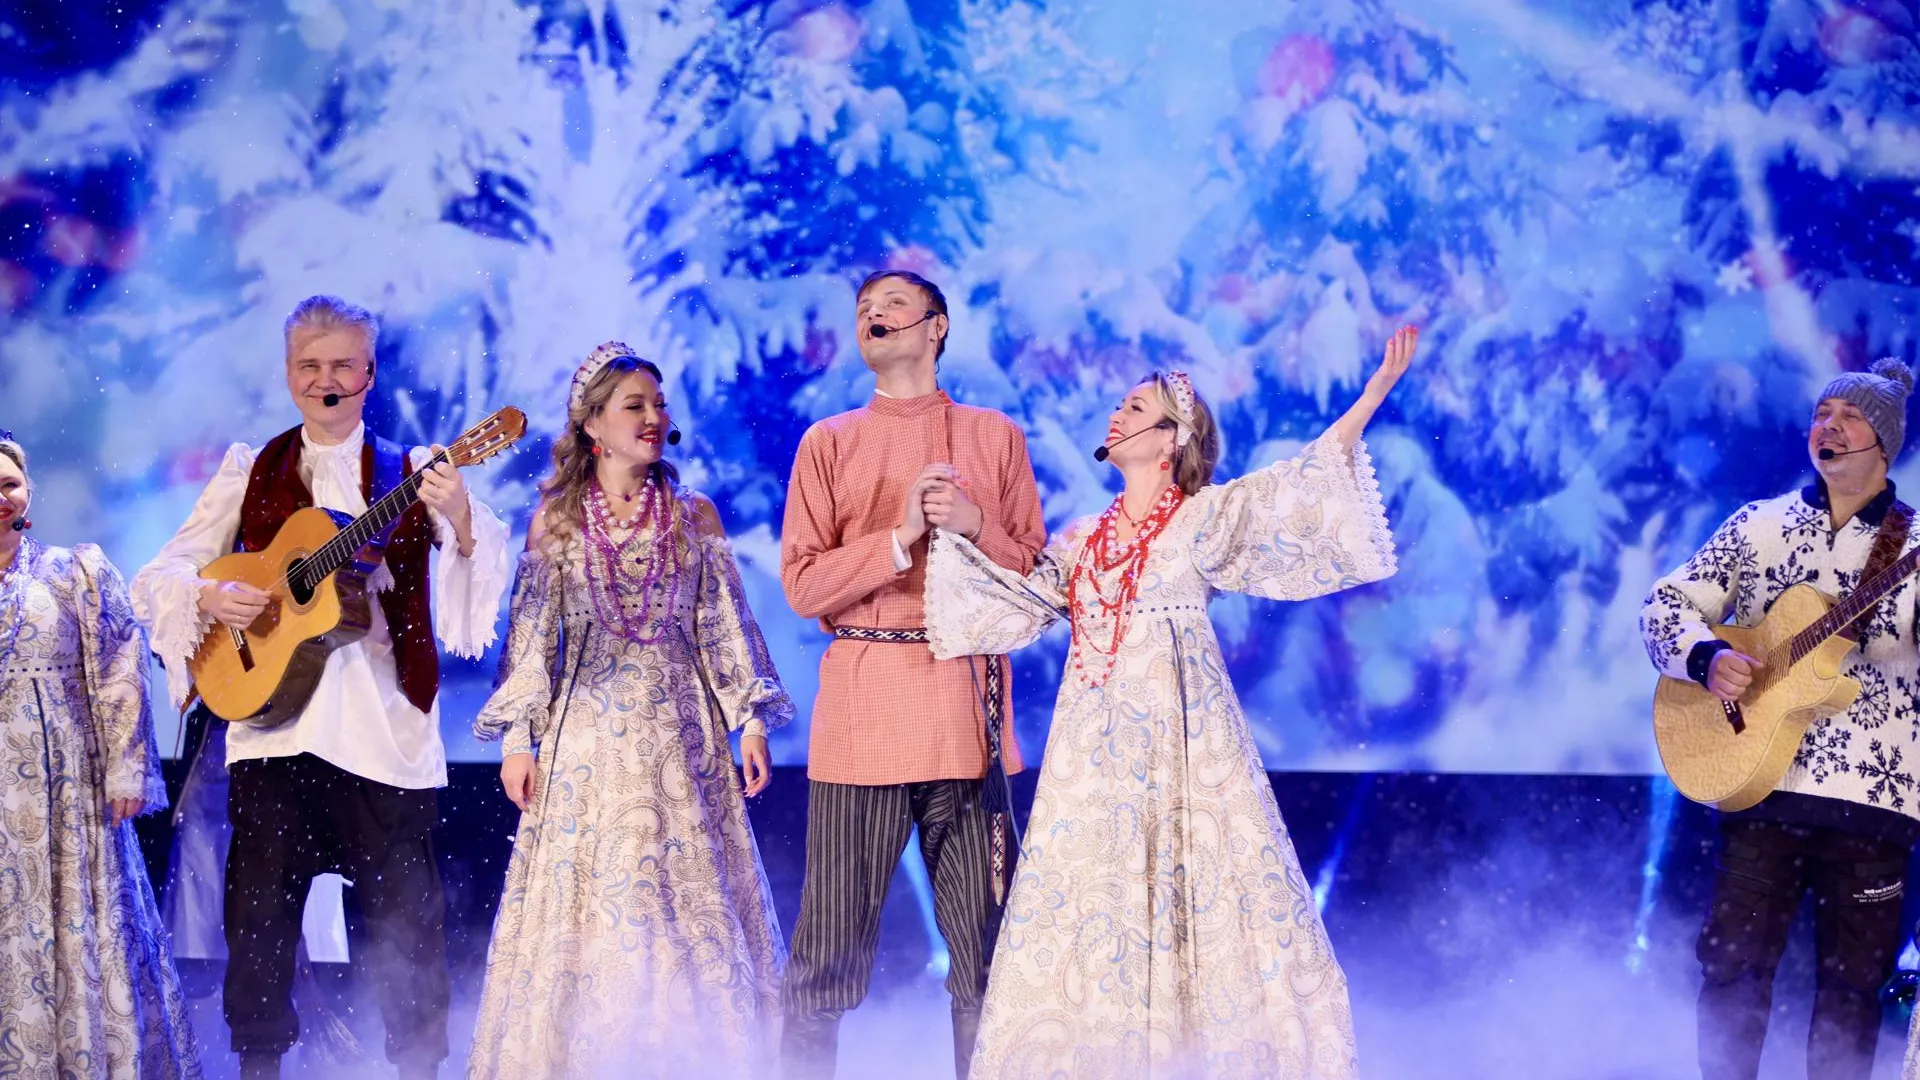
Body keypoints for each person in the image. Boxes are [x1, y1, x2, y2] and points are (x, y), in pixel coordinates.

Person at [923, 327, 1418, 1078]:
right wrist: (970, 528)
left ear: (1170, 439)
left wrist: (1373, 393)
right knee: (1095, 897)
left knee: (1199, 886)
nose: (1116, 415)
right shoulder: (1086, 537)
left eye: (1135, 408)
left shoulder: (1200, 518)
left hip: (1182, 743)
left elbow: (1297, 482)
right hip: (1094, 751)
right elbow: (1029, 595)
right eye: (1119, 405)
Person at [130, 295, 512, 1080]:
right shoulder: (251, 468)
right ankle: (259, 1066)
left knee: (408, 924)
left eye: (342, 364)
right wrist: (210, 595)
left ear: (369, 373)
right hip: (274, 732)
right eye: (309, 365)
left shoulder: (413, 469)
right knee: (259, 920)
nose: (325, 379)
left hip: (382, 731)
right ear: (288, 374)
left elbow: (475, 585)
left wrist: (462, 517)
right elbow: (161, 573)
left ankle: (417, 1068)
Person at [467, 343, 792, 1078]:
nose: (652, 417)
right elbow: (531, 641)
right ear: (593, 425)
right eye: (633, 405)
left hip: (682, 740)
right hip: (585, 749)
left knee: (687, 900)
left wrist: (749, 720)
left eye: (658, 404)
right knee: (595, 905)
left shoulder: (692, 515)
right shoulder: (555, 521)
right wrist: (518, 740)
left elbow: (724, 624)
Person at [778, 269, 1046, 1079]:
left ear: (936, 326)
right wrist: (897, 538)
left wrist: (974, 525)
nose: (873, 313)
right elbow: (803, 586)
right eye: (864, 308)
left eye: (893, 303)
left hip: (965, 714)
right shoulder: (829, 442)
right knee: (825, 957)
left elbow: (1035, 578)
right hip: (863, 714)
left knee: (988, 957)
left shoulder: (994, 436)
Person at [1642, 357, 1920, 1080]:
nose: (1829, 426)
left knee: (1853, 989)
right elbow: (1665, 606)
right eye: (1822, 413)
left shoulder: (1914, 546)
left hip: (1875, 799)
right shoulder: (1758, 525)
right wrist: (1707, 658)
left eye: (1850, 416)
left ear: (1884, 442)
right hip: (1761, 787)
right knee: (1731, 966)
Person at [0, 429, 204, 1078]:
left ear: (28, 491)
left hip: (65, 789)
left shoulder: (73, 573)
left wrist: (126, 766)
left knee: (76, 924)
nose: (0, 497)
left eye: (8, 484)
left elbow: (121, 666)